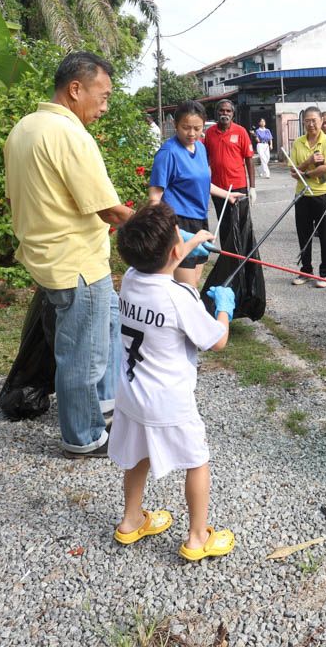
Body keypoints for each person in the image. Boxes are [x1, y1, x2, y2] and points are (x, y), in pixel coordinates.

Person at [4, 51, 130, 458]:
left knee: (109, 325)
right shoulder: (69, 134)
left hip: (47, 259)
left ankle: (106, 407)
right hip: (77, 264)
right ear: (75, 89)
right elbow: (108, 209)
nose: (105, 107)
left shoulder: (23, 128)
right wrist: (162, 229)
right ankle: (83, 437)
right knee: (83, 356)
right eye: (103, 95)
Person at [109, 202, 237, 561]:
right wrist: (224, 308)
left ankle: (131, 520)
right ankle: (198, 538)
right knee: (196, 460)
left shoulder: (131, 278)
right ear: (175, 252)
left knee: (138, 456)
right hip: (169, 401)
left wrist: (192, 239)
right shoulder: (179, 297)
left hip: (132, 393)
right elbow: (218, 340)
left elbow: (161, 267)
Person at [149, 101, 244, 287]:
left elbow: (202, 182)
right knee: (185, 289)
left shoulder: (200, 148)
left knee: (195, 281)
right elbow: (154, 198)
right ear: (175, 125)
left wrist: (227, 195)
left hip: (200, 221)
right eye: (186, 128)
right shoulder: (168, 153)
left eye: (197, 128)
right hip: (178, 224)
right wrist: (167, 231)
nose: (191, 133)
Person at [288, 107, 326, 287]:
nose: (311, 124)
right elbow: (293, 171)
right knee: (303, 234)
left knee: (325, 236)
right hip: (302, 194)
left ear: (321, 120)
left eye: (314, 120)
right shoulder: (298, 143)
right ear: (303, 122)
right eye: (307, 121)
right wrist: (308, 162)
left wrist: (306, 173)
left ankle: (325, 274)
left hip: (323, 194)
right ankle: (306, 270)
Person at [202, 100, 256, 218]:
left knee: (241, 222)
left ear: (233, 113)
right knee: (223, 222)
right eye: (221, 110)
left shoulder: (241, 131)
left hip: (238, 185)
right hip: (218, 186)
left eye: (228, 111)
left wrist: (252, 187)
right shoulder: (210, 132)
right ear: (217, 112)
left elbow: (249, 159)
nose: (225, 113)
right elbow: (205, 157)